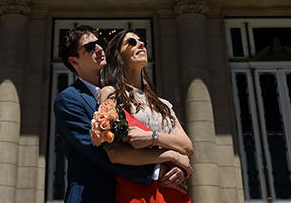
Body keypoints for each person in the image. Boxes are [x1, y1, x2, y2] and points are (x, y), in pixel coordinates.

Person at [54, 26, 191, 203]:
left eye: (99, 43)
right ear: (74, 62)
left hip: (139, 192)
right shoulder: (69, 100)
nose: (98, 48)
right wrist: (163, 165)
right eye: (89, 47)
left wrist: (175, 168)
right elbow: (103, 153)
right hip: (93, 195)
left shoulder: (120, 93)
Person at [98, 29, 193, 203]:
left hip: (173, 192)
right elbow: (116, 154)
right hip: (136, 192)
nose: (141, 44)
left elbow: (187, 146)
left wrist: (153, 138)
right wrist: (171, 156)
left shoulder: (163, 104)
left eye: (142, 42)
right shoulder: (110, 94)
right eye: (131, 42)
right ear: (118, 56)